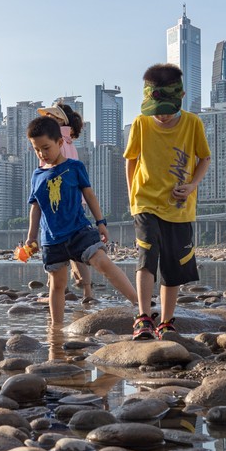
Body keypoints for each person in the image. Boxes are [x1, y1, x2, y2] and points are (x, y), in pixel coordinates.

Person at [124, 63, 211, 340]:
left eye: (166, 111)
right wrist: (132, 197)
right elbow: (131, 161)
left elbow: (204, 158)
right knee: (147, 256)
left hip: (180, 208)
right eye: (156, 111)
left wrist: (193, 185)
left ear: (181, 98)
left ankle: (167, 321)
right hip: (145, 202)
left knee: (174, 266)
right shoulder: (140, 123)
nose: (160, 117)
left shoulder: (192, 123)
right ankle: (143, 318)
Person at [25, 115, 137, 325]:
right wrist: (31, 237)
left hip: (78, 231)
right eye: (37, 149)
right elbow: (35, 208)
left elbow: (89, 196)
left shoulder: (75, 167)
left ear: (60, 143)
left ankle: (139, 305)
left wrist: (100, 222)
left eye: (46, 147)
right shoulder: (36, 175)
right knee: (57, 285)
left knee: (103, 263)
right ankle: (56, 330)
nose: (42, 153)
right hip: (52, 240)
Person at [37, 102, 95, 301]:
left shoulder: (56, 141)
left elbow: (48, 174)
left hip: (57, 201)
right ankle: (86, 291)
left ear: (61, 120)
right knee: (76, 247)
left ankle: (55, 290)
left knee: (53, 242)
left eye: (52, 116)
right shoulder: (69, 141)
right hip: (74, 201)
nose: (47, 120)